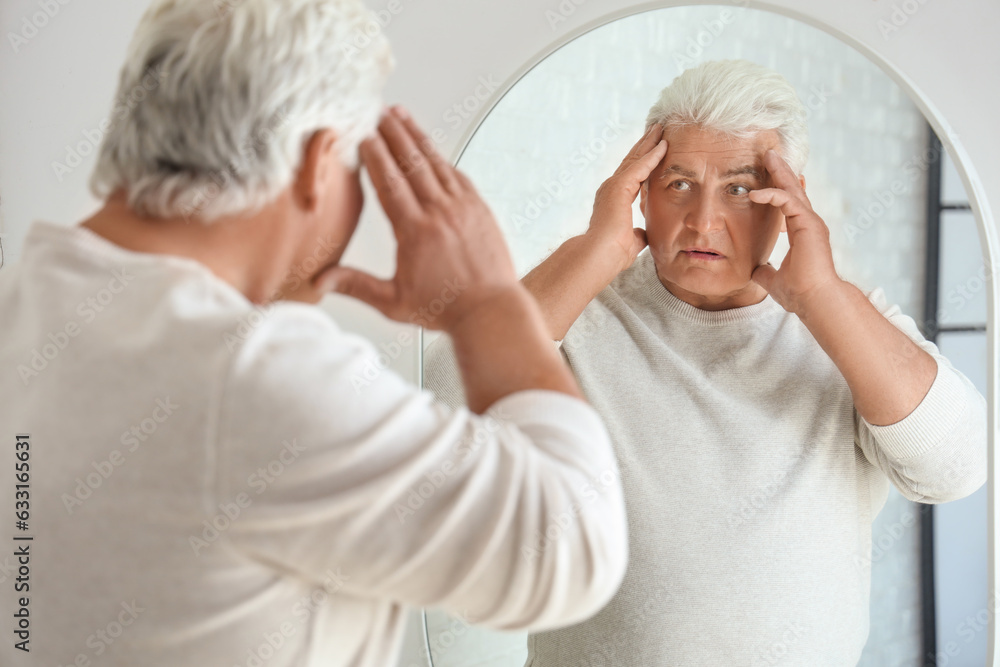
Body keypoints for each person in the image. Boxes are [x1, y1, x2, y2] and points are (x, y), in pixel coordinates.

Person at [0, 1, 631, 665]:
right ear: (317, 161)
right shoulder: (244, 373)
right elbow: (572, 544)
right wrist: (485, 303)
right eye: (353, 167)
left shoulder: (23, 302)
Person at [425, 59, 988, 665]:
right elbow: (442, 424)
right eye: (678, 184)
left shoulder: (844, 323)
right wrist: (593, 250)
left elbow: (955, 468)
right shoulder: (575, 312)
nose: (703, 221)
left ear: (790, 197)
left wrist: (823, 299)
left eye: (740, 189)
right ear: (637, 190)